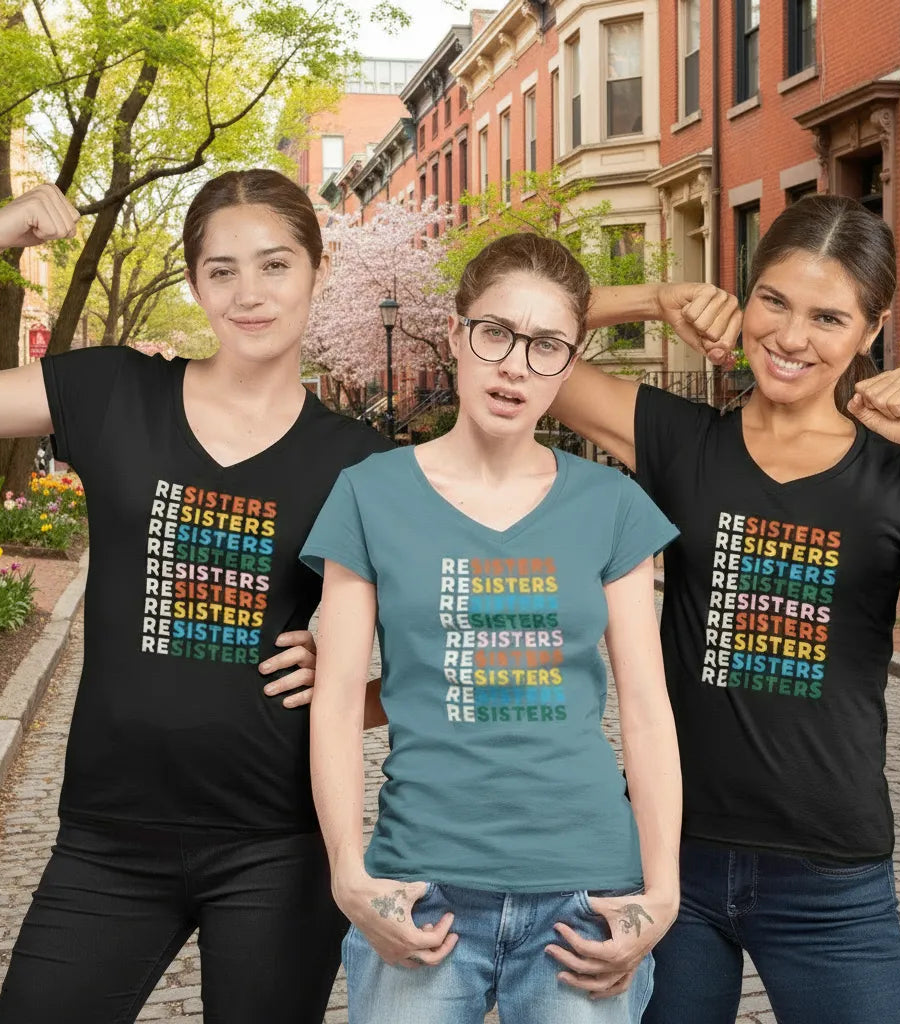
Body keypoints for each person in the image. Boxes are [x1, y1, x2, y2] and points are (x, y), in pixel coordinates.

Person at [0, 172, 392, 1023]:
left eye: (274, 265)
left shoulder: (359, 459)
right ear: (195, 284)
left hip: (278, 846)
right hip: (108, 839)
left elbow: (447, 648)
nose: (249, 294)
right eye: (221, 271)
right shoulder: (114, 392)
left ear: (317, 273)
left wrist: (349, 688)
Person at [551, 194, 900, 1024]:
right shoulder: (680, 439)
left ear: (870, 329)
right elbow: (512, 335)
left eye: (828, 317)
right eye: (773, 300)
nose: (791, 337)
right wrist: (656, 296)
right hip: (670, 864)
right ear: (744, 295)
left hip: (832, 877)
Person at [301, 232, 681, 1024]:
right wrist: (347, 870)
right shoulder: (370, 494)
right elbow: (336, 701)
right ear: (456, 336)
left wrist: (662, 889)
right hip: (420, 892)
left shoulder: (610, 507)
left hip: (588, 896)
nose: (515, 365)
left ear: (568, 367)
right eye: (497, 333)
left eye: (547, 346)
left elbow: (646, 710)